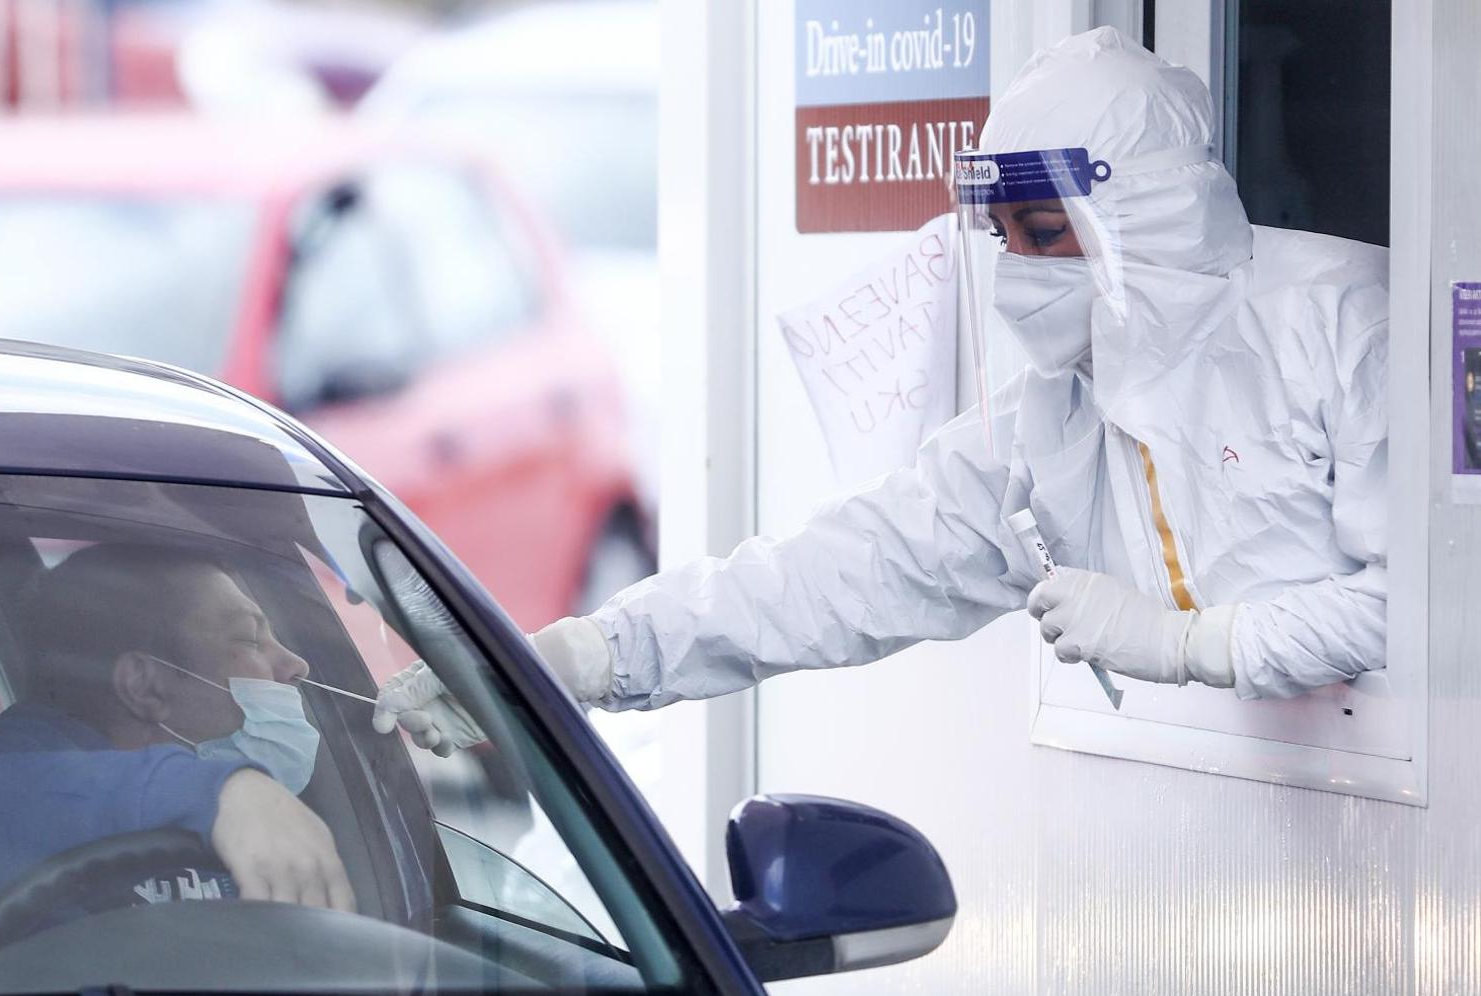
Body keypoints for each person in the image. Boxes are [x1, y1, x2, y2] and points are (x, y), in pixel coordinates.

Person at [374, 28, 1388, 754]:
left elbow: (1432, 609)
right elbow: (840, 571)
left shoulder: (1339, 324)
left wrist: (1192, 644)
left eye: (1044, 233)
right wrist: (589, 656)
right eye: (1003, 237)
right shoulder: (1052, 419)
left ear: (1147, 217)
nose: (1017, 271)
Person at [0, 544, 354, 987]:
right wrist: (227, 791)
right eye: (249, 639)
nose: (296, 664)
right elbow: (0, 802)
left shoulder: (188, 783)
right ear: (145, 685)